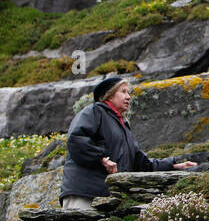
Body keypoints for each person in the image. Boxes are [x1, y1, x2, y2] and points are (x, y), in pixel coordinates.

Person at [59, 77, 196, 209]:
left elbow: (141, 163)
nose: (129, 96)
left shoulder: (123, 125)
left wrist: (172, 164)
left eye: (128, 92)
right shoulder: (94, 112)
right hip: (82, 192)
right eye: (123, 91)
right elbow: (76, 139)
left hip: (106, 195)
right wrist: (102, 159)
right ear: (109, 95)